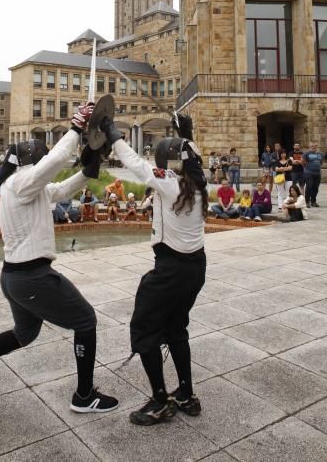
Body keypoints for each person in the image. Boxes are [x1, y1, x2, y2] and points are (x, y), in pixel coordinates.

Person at [0, 102, 119, 415]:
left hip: (16, 277)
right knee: (85, 321)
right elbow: (56, 160)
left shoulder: (28, 188)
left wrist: (88, 169)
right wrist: (76, 128)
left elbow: (62, 190)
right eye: (42, 152)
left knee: (24, 334)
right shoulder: (21, 182)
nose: (45, 155)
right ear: (32, 158)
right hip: (32, 277)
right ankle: (83, 395)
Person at [99, 112, 207, 425]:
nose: (156, 164)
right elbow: (193, 158)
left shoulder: (169, 184)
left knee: (145, 331)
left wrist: (112, 132)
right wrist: (186, 133)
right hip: (195, 268)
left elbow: (135, 162)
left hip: (171, 270)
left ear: (167, 164)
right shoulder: (197, 181)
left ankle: (160, 401)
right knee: (176, 329)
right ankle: (186, 393)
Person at [302, 141, 323, 208]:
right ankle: (307, 201)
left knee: (316, 188)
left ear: (317, 146)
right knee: (309, 187)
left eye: (315, 146)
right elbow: (302, 161)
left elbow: (321, 162)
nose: (313, 147)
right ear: (310, 146)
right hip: (309, 173)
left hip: (317, 173)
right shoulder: (306, 153)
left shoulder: (320, 153)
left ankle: (313, 201)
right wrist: (306, 167)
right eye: (312, 146)